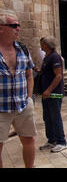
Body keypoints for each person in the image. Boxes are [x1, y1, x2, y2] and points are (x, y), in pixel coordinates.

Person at [0, 10, 36, 168]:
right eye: (14, 25)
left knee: (29, 140)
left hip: (23, 104)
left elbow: (29, 74)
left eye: (18, 25)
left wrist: (29, 97)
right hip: (1, 107)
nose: (18, 28)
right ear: (1, 28)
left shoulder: (22, 49)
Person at [37, 36, 67, 153]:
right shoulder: (47, 57)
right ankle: (52, 140)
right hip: (46, 94)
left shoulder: (54, 57)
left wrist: (49, 90)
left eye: (42, 43)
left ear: (46, 45)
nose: (40, 45)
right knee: (47, 117)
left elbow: (58, 75)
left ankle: (61, 141)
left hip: (54, 93)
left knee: (55, 117)